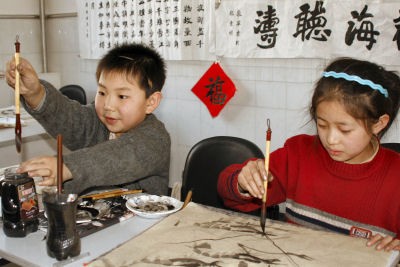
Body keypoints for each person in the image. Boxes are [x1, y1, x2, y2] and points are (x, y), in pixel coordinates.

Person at [217, 57, 400, 251]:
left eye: (344, 130)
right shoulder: (299, 154)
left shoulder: (395, 178)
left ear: (378, 124)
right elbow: (226, 190)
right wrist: (243, 182)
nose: (331, 139)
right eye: (322, 125)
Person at [5, 43, 171, 196]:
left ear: (151, 102)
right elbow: (69, 118)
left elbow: (118, 156)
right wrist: (35, 93)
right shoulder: (99, 121)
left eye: (122, 96)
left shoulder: (155, 139)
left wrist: (67, 166)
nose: (108, 105)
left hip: (146, 225)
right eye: (102, 92)